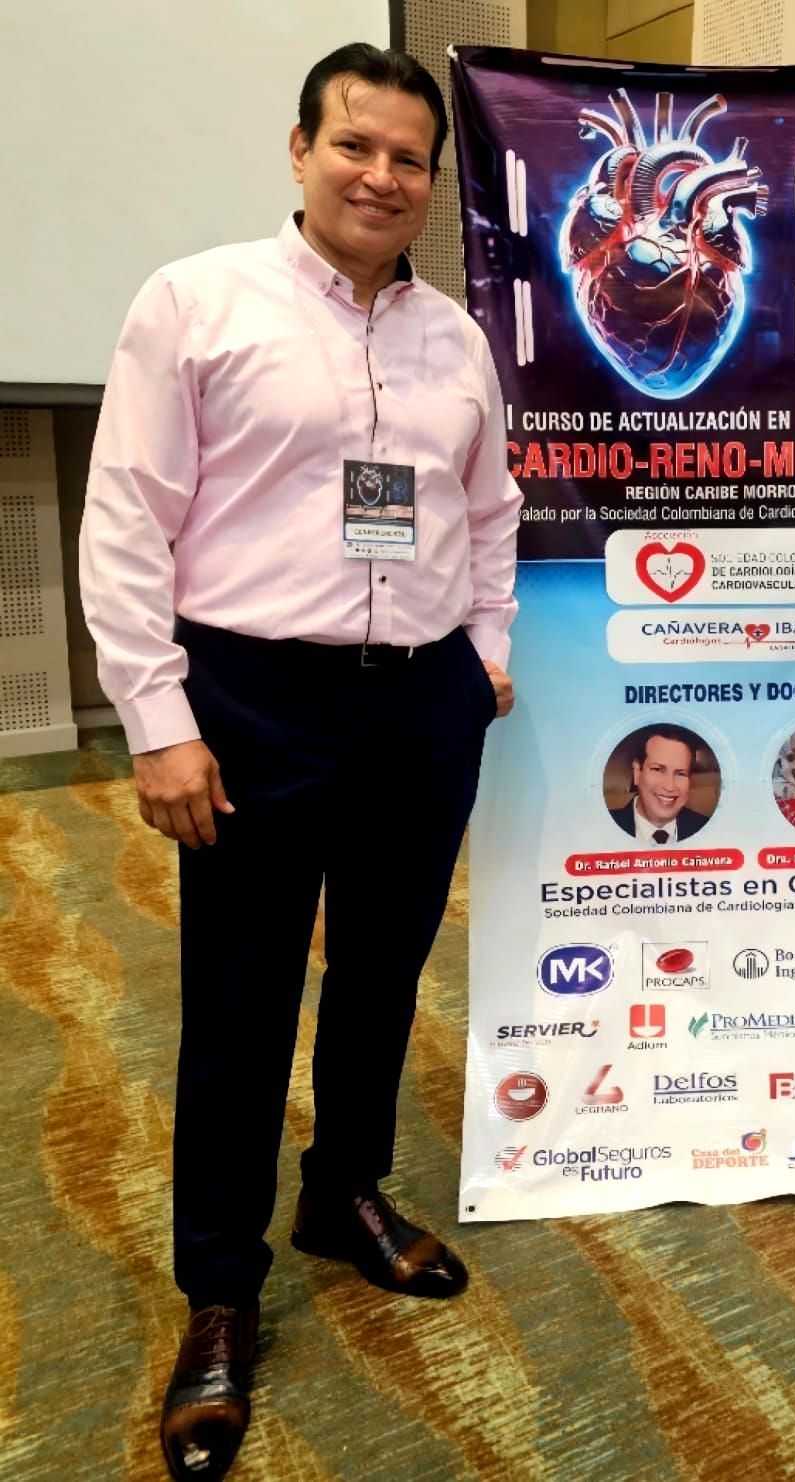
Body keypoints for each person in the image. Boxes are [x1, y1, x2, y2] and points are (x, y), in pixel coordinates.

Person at [78, 43, 521, 1481]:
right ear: (298, 150)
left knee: (386, 965)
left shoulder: (453, 338)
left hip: (421, 704)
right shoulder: (196, 304)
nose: (382, 177)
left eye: (409, 160)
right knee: (242, 990)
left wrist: (486, 649)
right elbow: (130, 519)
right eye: (356, 147)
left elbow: (490, 506)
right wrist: (158, 716)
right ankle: (218, 1285)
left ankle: (343, 1194)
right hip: (255, 697)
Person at [609, 725, 711, 844]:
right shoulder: (601, 827)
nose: (669, 787)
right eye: (657, 769)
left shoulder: (709, 829)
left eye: (680, 773)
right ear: (637, 772)